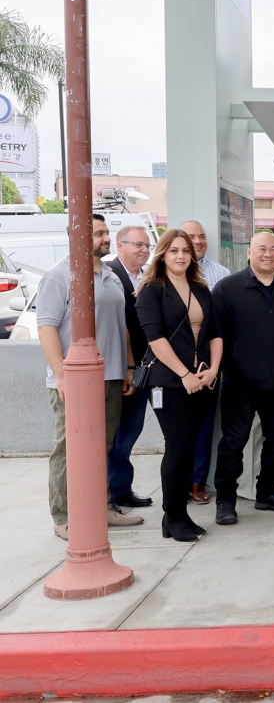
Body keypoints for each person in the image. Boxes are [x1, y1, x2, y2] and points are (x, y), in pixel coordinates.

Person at [37, 214, 143, 540]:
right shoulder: (59, 276)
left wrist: (128, 366)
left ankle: (101, 508)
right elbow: (46, 327)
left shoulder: (111, 276)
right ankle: (64, 517)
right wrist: (61, 375)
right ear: (75, 237)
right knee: (68, 449)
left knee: (103, 447)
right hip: (74, 380)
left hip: (111, 376)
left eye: (106, 232)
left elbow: (121, 325)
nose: (105, 238)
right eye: (97, 233)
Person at [211, 232, 274, 525]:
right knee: (233, 443)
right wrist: (231, 365)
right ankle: (225, 501)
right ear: (249, 253)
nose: (268, 254)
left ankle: (267, 493)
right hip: (240, 383)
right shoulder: (228, 288)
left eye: (273, 249)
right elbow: (216, 333)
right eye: (261, 249)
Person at [135, 229, 222, 542]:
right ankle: (173, 516)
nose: (181, 256)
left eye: (185, 250)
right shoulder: (151, 291)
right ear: (162, 254)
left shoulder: (200, 288)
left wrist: (213, 370)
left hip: (202, 380)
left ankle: (178, 517)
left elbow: (215, 333)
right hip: (169, 382)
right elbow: (155, 339)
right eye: (174, 250)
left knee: (189, 449)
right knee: (178, 447)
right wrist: (184, 374)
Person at [176, 220, 230, 505]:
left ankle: (197, 480)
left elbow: (220, 326)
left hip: (206, 366)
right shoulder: (161, 279)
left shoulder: (220, 275)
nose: (197, 241)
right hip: (172, 366)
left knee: (204, 426)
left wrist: (214, 367)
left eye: (202, 236)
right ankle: (177, 482)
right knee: (176, 429)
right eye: (190, 237)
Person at [106, 224, 154, 509]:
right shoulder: (108, 275)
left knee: (130, 434)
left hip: (149, 368)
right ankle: (110, 493)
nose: (144, 250)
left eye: (147, 246)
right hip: (123, 369)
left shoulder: (148, 277)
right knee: (116, 436)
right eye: (138, 244)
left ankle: (122, 489)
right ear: (120, 245)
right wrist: (129, 366)